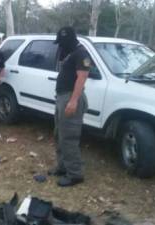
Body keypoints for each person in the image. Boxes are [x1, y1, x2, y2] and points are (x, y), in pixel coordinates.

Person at [48, 26, 91, 187]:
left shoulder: (81, 53)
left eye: (62, 42)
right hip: (62, 97)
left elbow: (83, 76)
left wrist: (73, 101)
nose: (60, 45)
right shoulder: (70, 52)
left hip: (71, 98)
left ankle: (75, 174)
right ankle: (62, 167)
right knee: (59, 134)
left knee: (69, 138)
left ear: (69, 40)